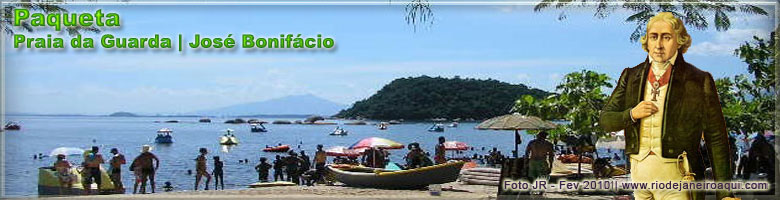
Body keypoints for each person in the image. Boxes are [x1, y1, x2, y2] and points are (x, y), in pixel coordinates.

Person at [600, 12, 733, 200]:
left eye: (666, 37)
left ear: (679, 41)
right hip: (639, 175)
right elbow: (606, 120)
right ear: (647, 41)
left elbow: (717, 137)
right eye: (654, 37)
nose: (659, 45)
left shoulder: (699, 80)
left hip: (678, 175)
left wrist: (725, 193)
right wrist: (631, 114)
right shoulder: (630, 76)